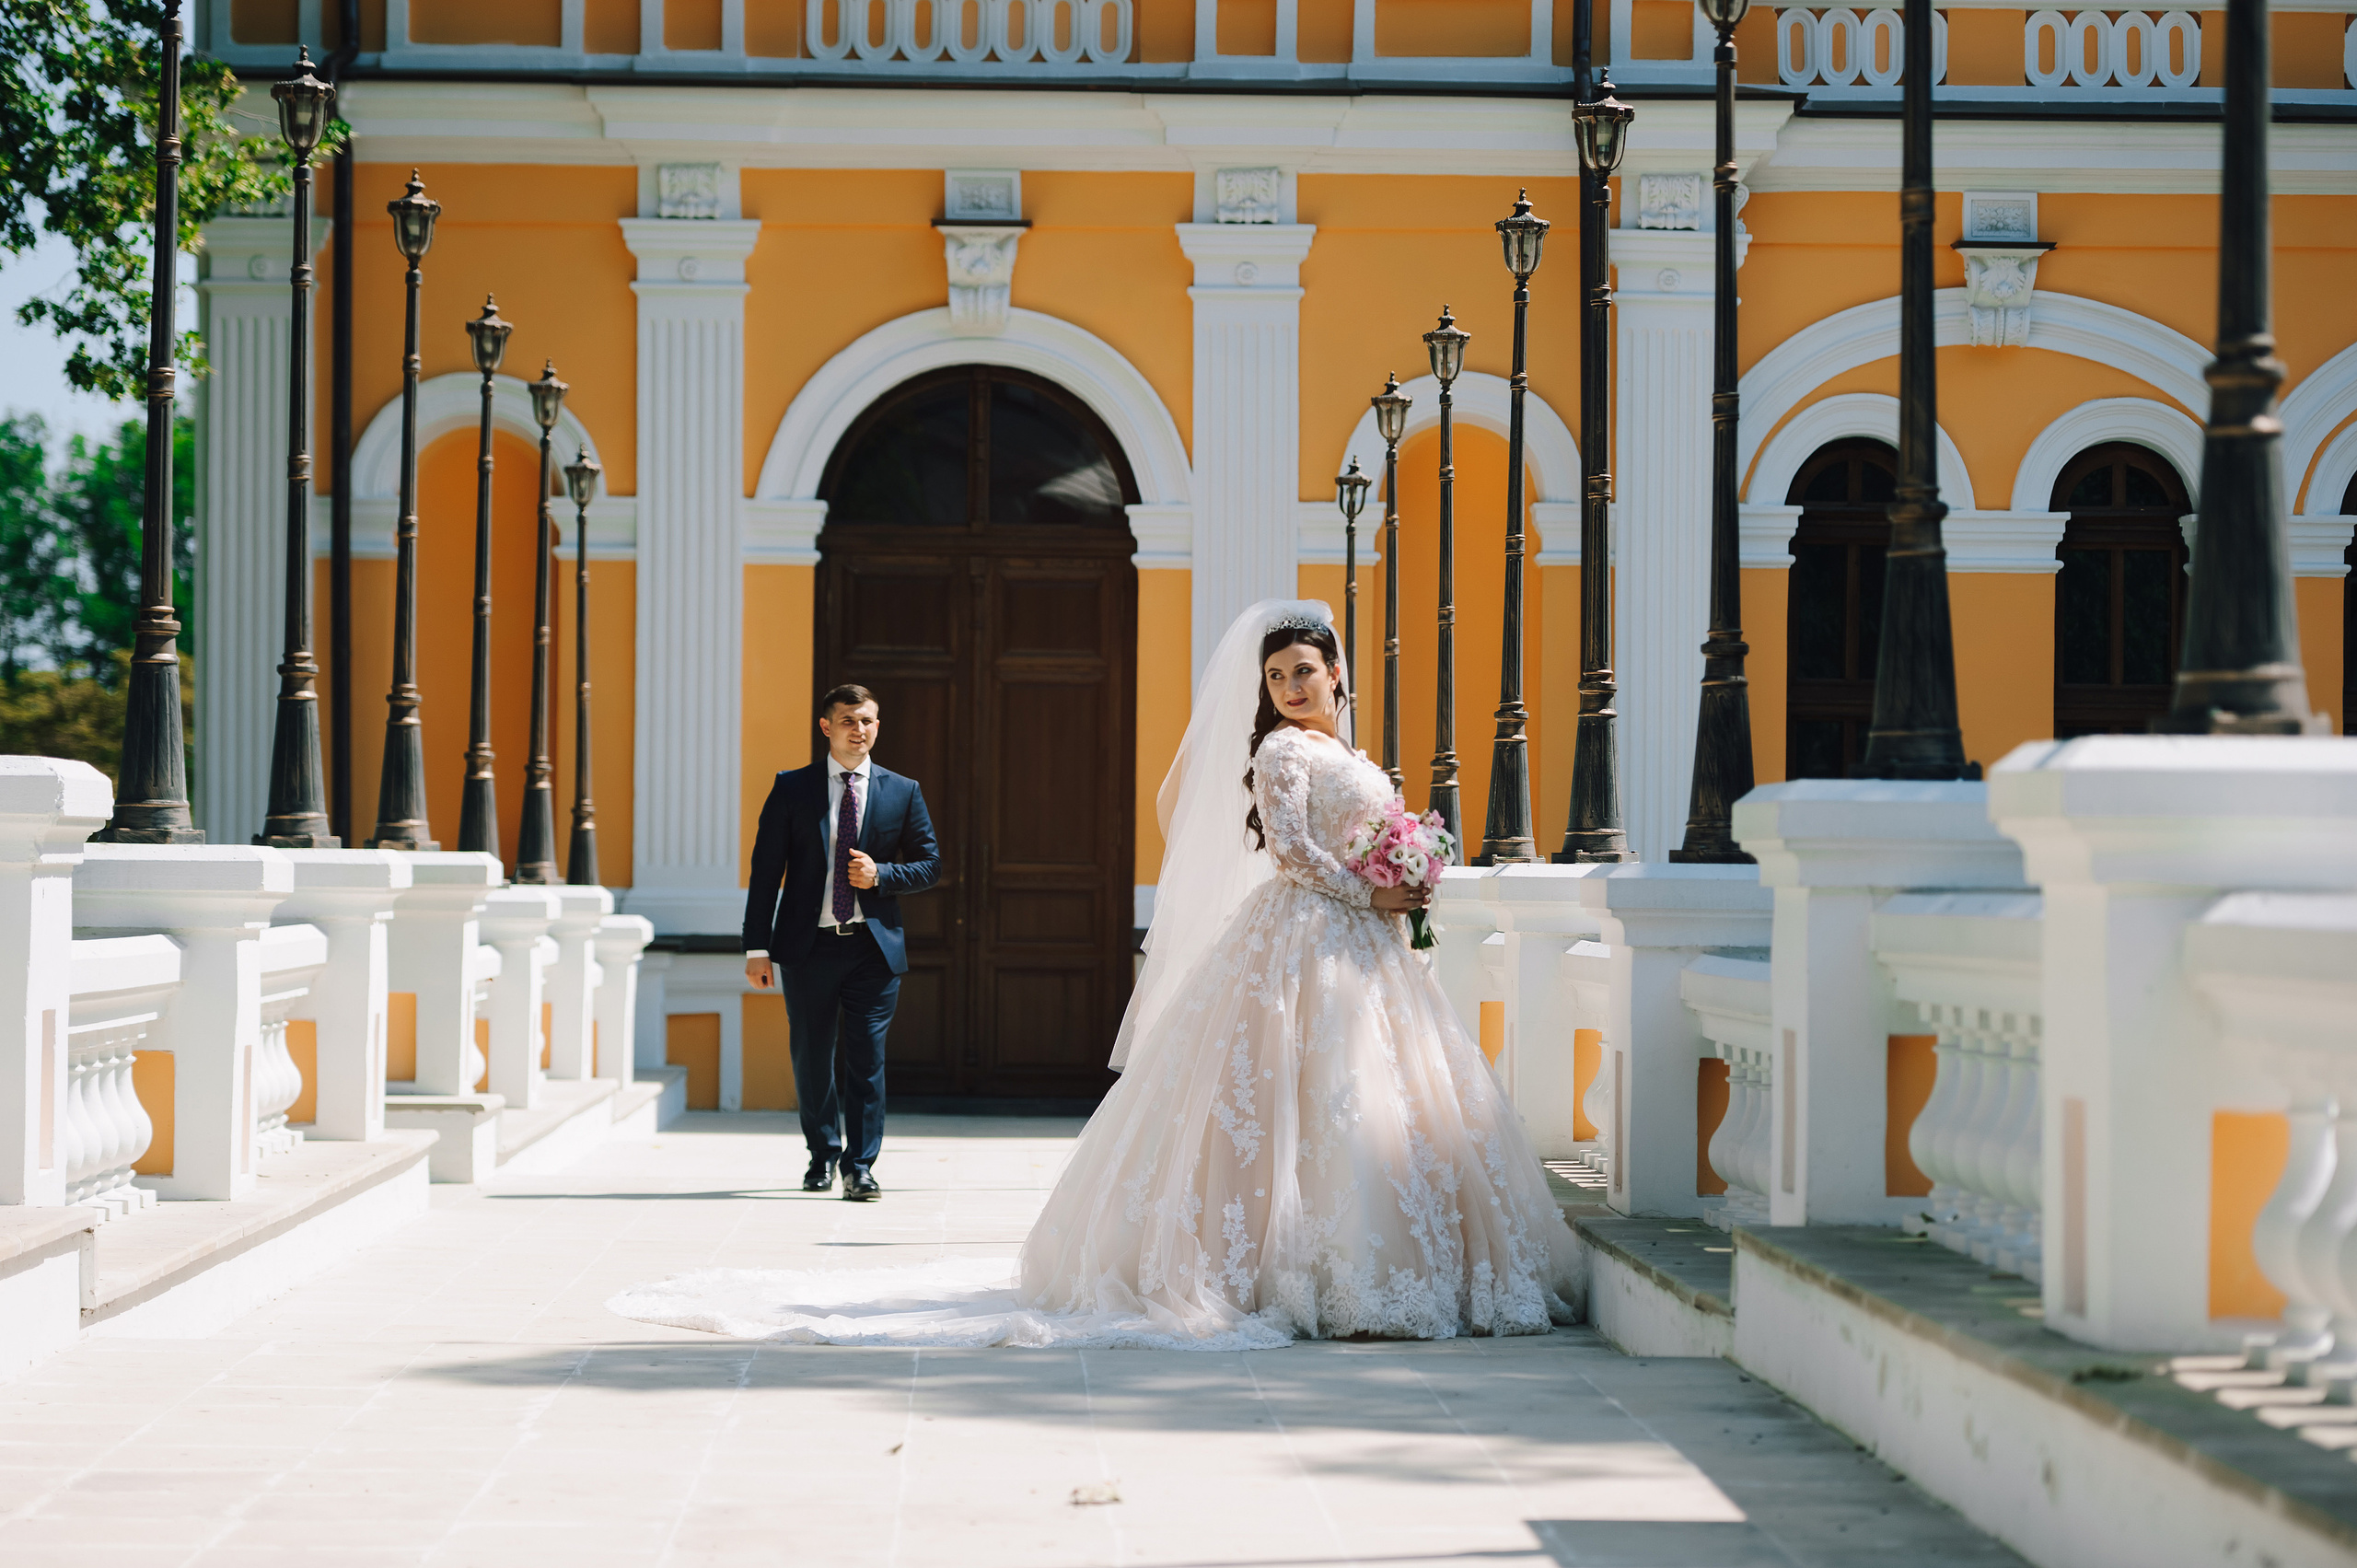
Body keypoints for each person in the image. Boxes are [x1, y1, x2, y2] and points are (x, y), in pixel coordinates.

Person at [613, 602, 1576, 1345]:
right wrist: (1372, 896)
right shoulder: (1281, 750)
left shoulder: (1344, 750)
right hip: (1310, 934)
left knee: (1360, 1098)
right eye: (1276, 674)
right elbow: (1289, 851)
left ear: (1337, 674)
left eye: (1304, 671)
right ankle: (1303, 1272)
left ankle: (1372, 1265)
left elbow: (1357, 836)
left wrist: (1405, 870)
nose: (1290, 685)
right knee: (1283, 1100)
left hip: (1365, 951)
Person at [741, 684, 939, 1201]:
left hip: (872, 949)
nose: (860, 730)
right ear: (826, 726)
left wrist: (883, 874)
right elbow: (766, 874)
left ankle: (861, 1166)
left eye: (869, 721)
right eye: (849, 720)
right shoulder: (792, 788)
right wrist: (755, 948)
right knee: (811, 1056)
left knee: (866, 1059)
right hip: (809, 947)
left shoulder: (903, 790)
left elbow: (930, 864)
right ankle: (822, 1154)